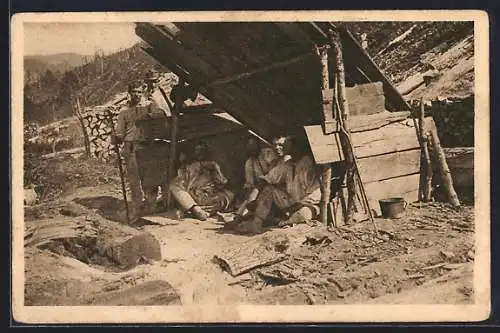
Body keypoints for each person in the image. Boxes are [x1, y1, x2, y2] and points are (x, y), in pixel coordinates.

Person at [230, 135, 321, 235]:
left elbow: (314, 196)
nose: (286, 150)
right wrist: (253, 198)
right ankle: (257, 224)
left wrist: (296, 206)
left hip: (307, 204)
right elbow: (266, 180)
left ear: (298, 148)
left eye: (288, 147)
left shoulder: (308, 163)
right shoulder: (288, 164)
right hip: (291, 202)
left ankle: (283, 223)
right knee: (269, 189)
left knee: (304, 214)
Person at [113, 80, 159, 221]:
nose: (137, 94)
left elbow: (161, 115)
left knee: (150, 176)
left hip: (146, 145)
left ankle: (151, 204)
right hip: (131, 147)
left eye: (139, 92)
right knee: (134, 179)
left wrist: (154, 108)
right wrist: (115, 138)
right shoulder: (124, 112)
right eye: (134, 92)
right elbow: (120, 132)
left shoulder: (148, 106)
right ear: (129, 93)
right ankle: (137, 207)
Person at [169, 141, 235, 221]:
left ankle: (197, 212)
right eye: (197, 150)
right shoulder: (189, 167)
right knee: (174, 186)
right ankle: (195, 209)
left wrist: (215, 168)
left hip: (207, 198)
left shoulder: (212, 166)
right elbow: (180, 184)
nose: (200, 153)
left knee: (229, 195)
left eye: (202, 150)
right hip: (191, 198)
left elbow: (222, 184)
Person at [235, 136, 278, 216]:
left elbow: (273, 171)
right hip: (259, 188)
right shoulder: (249, 162)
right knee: (250, 199)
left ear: (258, 145)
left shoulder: (267, 153)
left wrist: (258, 188)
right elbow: (249, 183)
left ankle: (242, 215)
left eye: (254, 146)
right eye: (249, 147)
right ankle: (239, 215)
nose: (252, 149)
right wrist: (250, 195)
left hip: (273, 184)